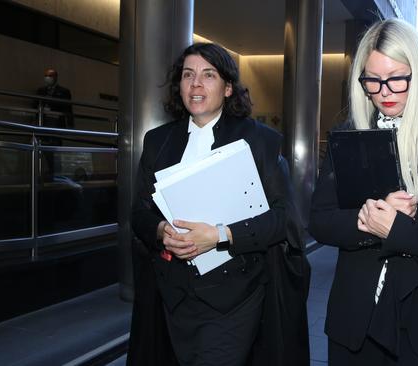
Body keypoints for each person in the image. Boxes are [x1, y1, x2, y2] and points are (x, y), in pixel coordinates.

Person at [309, 19, 418, 365]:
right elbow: (319, 220)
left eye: (397, 78)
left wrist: (399, 231)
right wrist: (367, 219)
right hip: (355, 318)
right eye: (373, 79)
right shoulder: (348, 134)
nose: (384, 91)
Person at [130, 42, 309, 366]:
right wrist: (160, 231)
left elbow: (285, 220)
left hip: (235, 294)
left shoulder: (259, 142)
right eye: (188, 75)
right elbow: (138, 212)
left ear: (228, 88)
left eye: (208, 75)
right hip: (171, 295)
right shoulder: (158, 141)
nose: (196, 84)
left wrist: (219, 234)